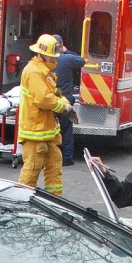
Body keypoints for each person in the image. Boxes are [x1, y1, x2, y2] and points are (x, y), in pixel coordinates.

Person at [17, 34, 72, 196]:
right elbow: (43, 99)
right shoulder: (33, 71)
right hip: (35, 132)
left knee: (54, 164)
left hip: (46, 131)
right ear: (41, 54)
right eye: (51, 56)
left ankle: (55, 201)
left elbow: (53, 92)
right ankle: (20, 202)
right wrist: (64, 107)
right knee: (32, 169)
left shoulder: (44, 71)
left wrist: (64, 101)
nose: (53, 58)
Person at [52, 34, 86, 167]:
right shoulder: (67, 59)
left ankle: (49, 156)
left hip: (50, 100)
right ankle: (67, 158)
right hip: (65, 99)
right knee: (66, 129)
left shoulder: (45, 61)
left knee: (50, 128)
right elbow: (81, 61)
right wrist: (66, 51)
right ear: (61, 45)